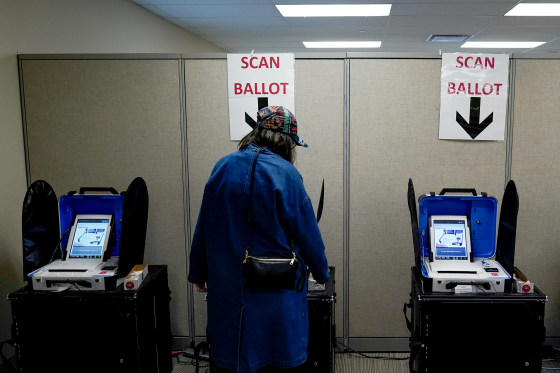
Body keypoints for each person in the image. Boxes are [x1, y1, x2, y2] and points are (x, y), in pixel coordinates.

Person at [188, 106, 330, 373]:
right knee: (276, 354)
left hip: (228, 284)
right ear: (287, 143)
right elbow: (308, 233)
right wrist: (321, 273)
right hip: (276, 291)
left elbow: (204, 224)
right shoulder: (286, 175)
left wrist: (198, 271)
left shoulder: (222, 167)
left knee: (232, 353)